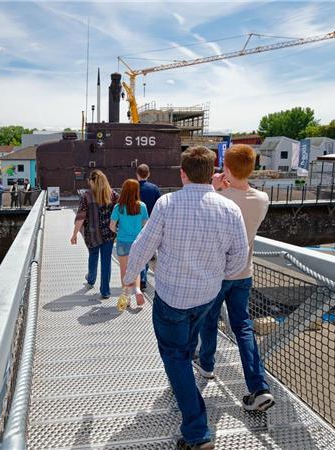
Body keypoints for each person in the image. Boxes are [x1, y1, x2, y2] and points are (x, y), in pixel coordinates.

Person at [123, 146, 248, 450]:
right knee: (188, 344)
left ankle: (196, 431)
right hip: (207, 296)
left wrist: (130, 279)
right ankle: (185, 391)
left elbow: (143, 245)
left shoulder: (167, 204)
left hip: (171, 297)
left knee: (175, 356)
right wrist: (217, 277)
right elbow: (239, 257)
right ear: (212, 173)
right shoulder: (230, 210)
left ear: (182, 173)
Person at [196, 144, 275, 413]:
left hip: (217, 273)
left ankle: (206, 365)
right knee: (243, 327)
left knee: (209, 319)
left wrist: (214, 185)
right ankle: (258, 387)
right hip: (244, 272)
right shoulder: (262, 199)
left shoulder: (217, 197)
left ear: (226, 168)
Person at [71, 170, 118, 299]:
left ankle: (91, 279)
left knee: (93, 257)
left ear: (92, 181)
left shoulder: (87, 195)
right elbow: (121, 210)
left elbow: (81, 216)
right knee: (106, 262)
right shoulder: (112, 194)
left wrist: (74, 234)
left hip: (92, 234)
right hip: (109, 233)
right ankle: (105, 291)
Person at [110, 179, 149, 308]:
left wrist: (118, 232)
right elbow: (145, 225)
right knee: (135, 269)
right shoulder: (141, 206)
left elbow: (111, 226)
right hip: (137, 242)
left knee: (124, 270)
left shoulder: (118, 207)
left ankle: (126, 296)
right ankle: (137, 290)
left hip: (122, 242)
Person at [136, 164, 161, 290]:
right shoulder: (154, 188)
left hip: (134, 225)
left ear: (137, 174)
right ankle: (143, 279)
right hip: (150, 225)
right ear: (148, 174)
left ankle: (137, 279)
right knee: (145, 253)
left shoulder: (132, 188)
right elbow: (160, 207)